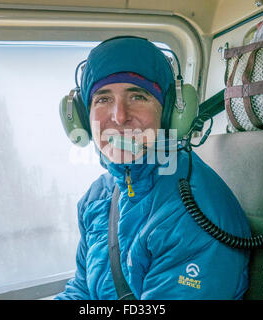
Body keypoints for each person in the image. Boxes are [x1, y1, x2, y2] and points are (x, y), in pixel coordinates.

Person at [55, 36, 251, 300]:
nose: (120, 116)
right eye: (102, 99)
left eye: (138, 96)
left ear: (171, 113)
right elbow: (83, 290)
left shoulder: (195, 212)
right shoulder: (97, 198)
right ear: (82, 117)